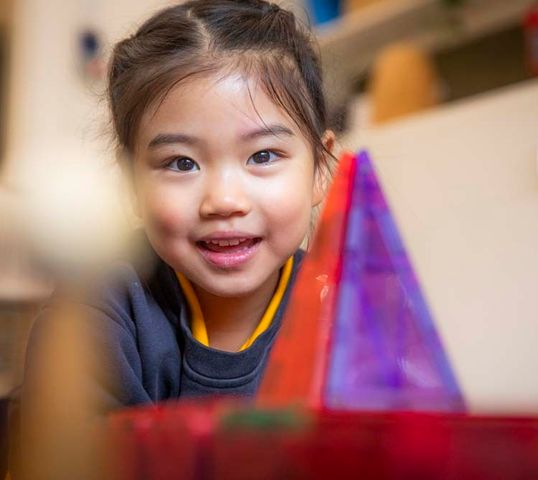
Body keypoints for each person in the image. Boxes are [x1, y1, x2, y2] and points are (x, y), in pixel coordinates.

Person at [26, 0, 336, 411]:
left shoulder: (345, 310)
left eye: (262, 156)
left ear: (320, 168)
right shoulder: (94, 311)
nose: (224, 201)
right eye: (181, 163)